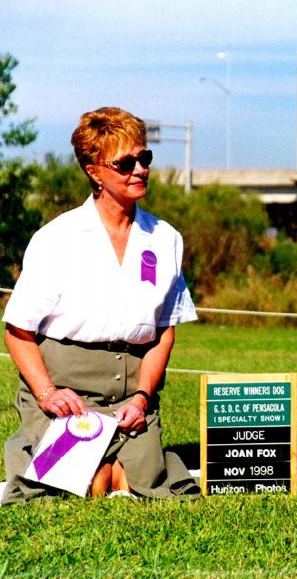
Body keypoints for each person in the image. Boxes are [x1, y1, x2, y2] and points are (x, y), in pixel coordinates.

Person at [2, 107, 199, 503]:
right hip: (65, 393)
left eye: (145, 159)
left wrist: (143, 397)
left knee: (150, 485)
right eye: (125, 163)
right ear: (94, 171)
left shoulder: (166, 239)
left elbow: (164, 333)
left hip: (131, 395)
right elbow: (18, 332)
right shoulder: (56, 238)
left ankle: (123, 460)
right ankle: (78, 458)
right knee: (63, 489)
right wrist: (47, 395)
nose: (140, 170)